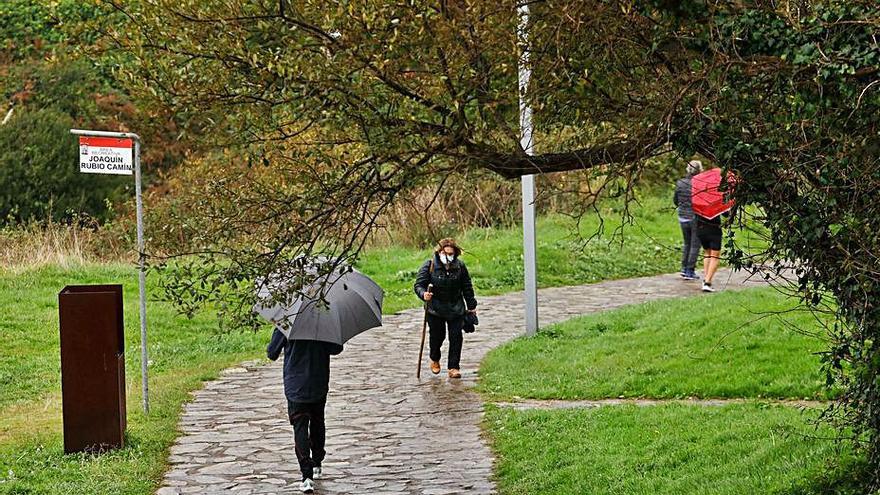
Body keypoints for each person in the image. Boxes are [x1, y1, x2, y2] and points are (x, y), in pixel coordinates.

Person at [267, 331, 343, 493]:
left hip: (295, 385)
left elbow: (272, 353)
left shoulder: (287, 321)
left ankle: (306, 476)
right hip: (319, 381)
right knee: (317, 421)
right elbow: (336, 348)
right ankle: (317, 462)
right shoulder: (324, 321)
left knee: (300, 426)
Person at [413, 238, 478, 379]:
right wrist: (424, 294)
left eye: (451, 253)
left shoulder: (460, 266)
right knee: (437, 337)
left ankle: (453, 367)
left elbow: (467, 287)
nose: (448, 256)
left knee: (456, 338)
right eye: (445, 253)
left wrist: (471, 306)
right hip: (435, 309)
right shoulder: (429, 265)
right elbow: (418, 285)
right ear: (439, 252)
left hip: (456, 308)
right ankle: (434, 358)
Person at [694, 165, 724, 293]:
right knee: (715, 255)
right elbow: (726, 214)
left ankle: (706, 278)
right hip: (714, 229)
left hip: (700, 228)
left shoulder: (697, 197)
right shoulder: (716, 198)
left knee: (707, 253)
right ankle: (708, 281)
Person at [673, 160, 703, 280]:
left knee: (687, 243)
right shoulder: (699, 184)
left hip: (682, 217)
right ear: (699, 170)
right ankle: (690, 271)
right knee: (695, 245)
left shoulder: (680, 183)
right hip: (695, 217)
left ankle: (684, 268)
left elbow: (675, 200)